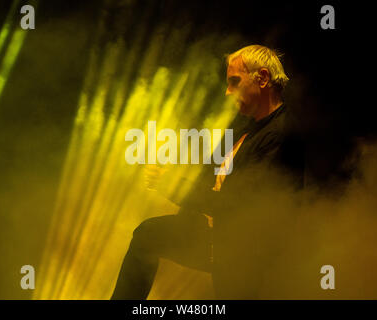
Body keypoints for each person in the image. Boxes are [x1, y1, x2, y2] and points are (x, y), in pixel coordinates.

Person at [111, 44, 304, 299]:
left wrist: (173, 186)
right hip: (217, 236)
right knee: (147, 235)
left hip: (248, 253)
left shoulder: (281, 134)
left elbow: (241, 206)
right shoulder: (243, 125)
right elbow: (211, 178)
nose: (227, 92)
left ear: (263, 78)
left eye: (235, 82)